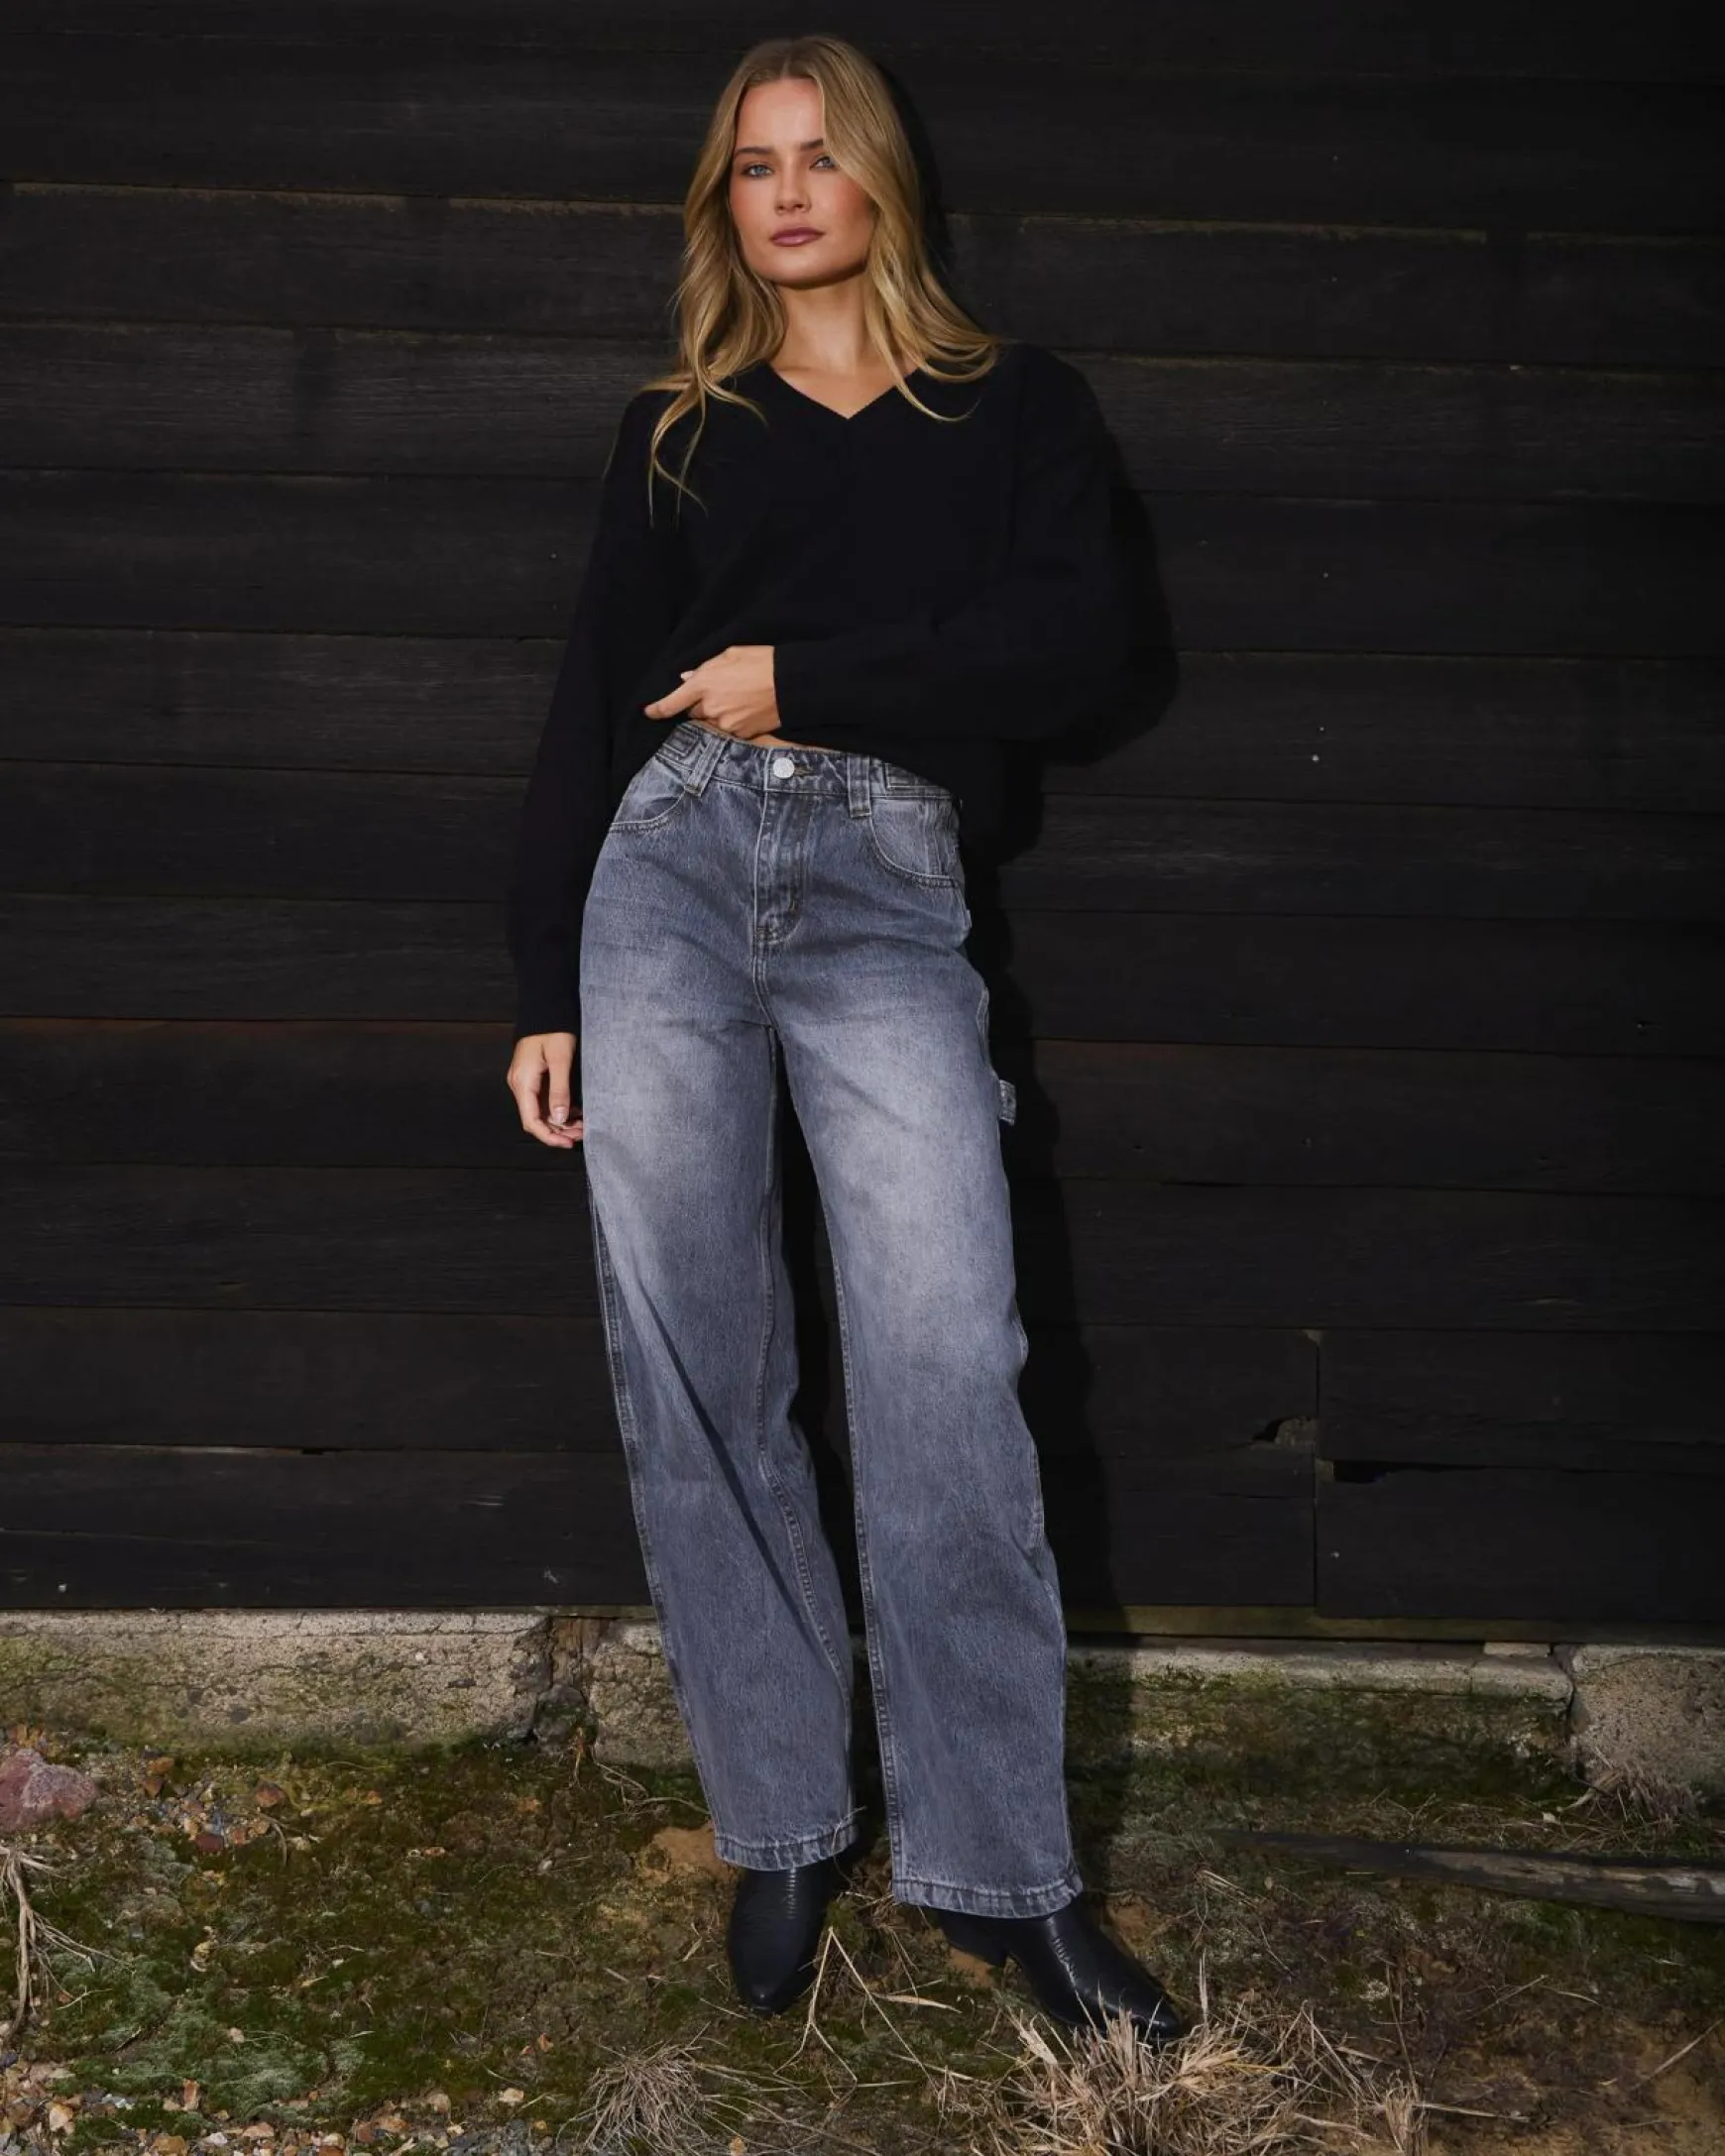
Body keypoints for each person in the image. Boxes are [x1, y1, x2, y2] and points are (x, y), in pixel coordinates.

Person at [505, 33, 1186, 2046]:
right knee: (698, 1361)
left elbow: (1086, 653)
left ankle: (1003, 1877)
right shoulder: (679, 432)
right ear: (722, 205)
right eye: (754, 166)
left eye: (820, 156)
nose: (789, 192)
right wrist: (542, 978)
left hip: (888, 881)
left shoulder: (1013, 407)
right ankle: (785, 1821)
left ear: (881, 177)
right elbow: (588, 703)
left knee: (946, 1361)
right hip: (670, 875)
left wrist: (810, 675)